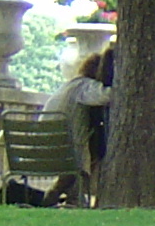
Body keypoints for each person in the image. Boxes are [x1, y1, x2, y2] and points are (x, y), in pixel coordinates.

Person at [39, 50, 110, 201]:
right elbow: (108, 95)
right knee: (83, 158)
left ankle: (67, 196)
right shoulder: (84, 87)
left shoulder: (68, 86)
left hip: (42, 151)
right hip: (63, 155)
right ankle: (57, 193)